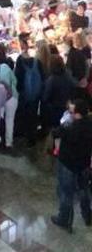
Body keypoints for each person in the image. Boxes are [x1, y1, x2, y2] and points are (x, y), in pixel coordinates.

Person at [50, 98, 92, 231]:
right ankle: (87, 215)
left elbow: (55, 133)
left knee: (65, 192)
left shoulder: (70, 126)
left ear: (76, 113)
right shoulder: (89, 124)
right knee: (84, 189)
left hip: (68, 164)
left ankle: (64, 219)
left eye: (71, 111)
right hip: (84, 163)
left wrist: (65, 123)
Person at [15, 36, 44, 144]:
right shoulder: (37, 60)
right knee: (33, 113)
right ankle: (33, 135)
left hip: (24, 93)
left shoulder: (20, 60)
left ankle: (27, 136)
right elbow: (42, 76)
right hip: (36, 93)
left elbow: (17, 77)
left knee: (25, 114)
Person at [0, 48, 18, 148]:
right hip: (12, 96)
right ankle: (8, 142)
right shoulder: (6, 67)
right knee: (10, 120)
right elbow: (14, 81)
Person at [42, 56, 75, 138]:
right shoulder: (68, 75)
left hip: (55, 108)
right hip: (67, 106)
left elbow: (46, 96)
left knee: (57, 131)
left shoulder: (51, 80)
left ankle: (57, 148)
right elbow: (74, 88)